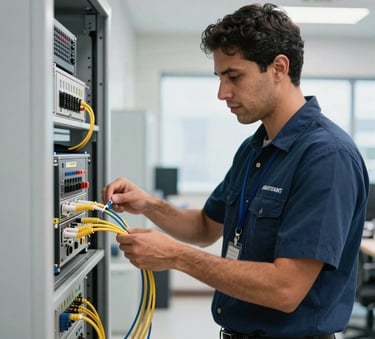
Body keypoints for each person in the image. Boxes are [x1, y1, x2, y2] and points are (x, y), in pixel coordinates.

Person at [102, 3, 369, 338]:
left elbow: (285, 290)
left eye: (234, 76)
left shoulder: (326, 157)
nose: (222, 93)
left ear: (278, 68)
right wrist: (148, 204)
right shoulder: (253, 150)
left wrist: (176, 257)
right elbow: (204, 227)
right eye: (220, 78)